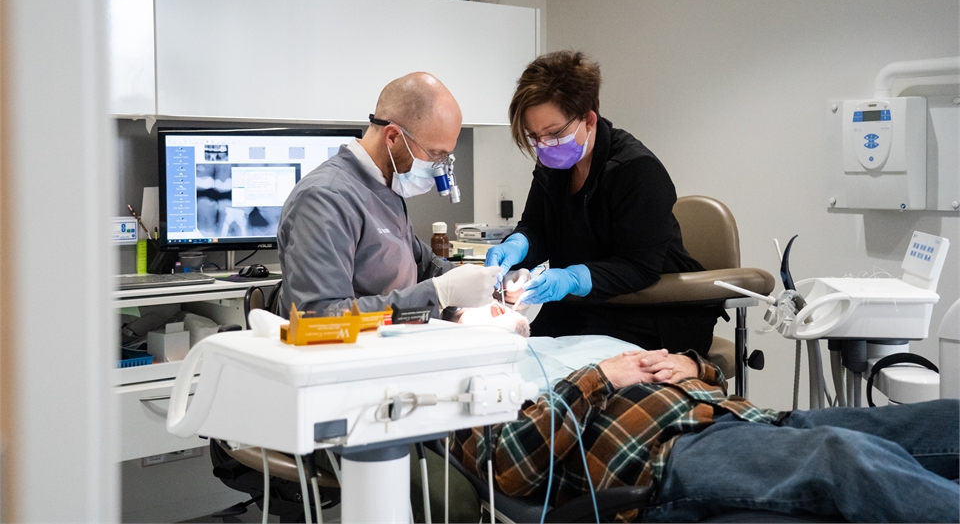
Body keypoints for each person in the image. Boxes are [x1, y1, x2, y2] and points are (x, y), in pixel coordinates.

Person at [451, 349, 960, 523]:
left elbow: (712, 376)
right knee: (842, 457)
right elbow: (510, 473)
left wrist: (690, 364)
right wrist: (597, 378)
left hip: (753, 418)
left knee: (943, 420)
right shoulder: (472, 415)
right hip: (675, 456)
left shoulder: (568, 361)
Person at [486, 50, 715, 355]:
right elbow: (536, 227)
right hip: (584, 308)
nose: (544, 147)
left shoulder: (637, 170)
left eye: (554, 134)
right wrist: (516, 247)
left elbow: (640, 268)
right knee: (517, 353)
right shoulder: (553, 168)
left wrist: (571, 278)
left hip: (651, 312)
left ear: (588, 120)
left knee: (573, 367)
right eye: (534, 137)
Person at [277, 72, 499, 317]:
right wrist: (437, 295)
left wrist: (492, 283)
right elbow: (320, 314)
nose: (440, 167)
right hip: (346, 353)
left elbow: (424, 266)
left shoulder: (385, 187)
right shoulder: (325, 199)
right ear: (393, 137)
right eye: (435, 154)